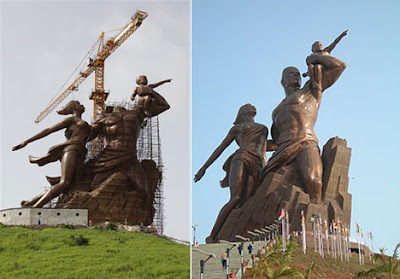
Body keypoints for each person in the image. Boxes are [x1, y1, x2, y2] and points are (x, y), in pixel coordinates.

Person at [265, 47, 347, 203]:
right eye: (291, 73)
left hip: (305, 141)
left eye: (297, 73)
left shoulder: (310, 90)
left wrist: (314, 59)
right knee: (264, 186)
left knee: (312, 179)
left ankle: (315, 219)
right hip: (282, 149)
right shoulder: (276, 111)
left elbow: (340, 66)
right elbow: (274, 142)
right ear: (283, 81)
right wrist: (249, 147)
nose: (296, 75)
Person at [194, 104, 268, 243]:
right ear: (243, 112)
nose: (252, 106)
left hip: (257, 163)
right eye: (248, 106)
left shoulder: (263, 128)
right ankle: (212, 235)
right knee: (235, 198)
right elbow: (220, 148)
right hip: (241, 158)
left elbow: (264, 148)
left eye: (252, 106)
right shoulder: (237, 128)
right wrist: (203, 168)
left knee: (248, 199)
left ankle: (240, 230)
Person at [12, 100, 91, 207]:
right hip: (71, 148)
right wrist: (27, 141)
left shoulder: (83, 123)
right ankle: (36, 207)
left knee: (69, 184)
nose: (82, 105)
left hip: (81, 152)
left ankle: (29, 202)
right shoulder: (71, 119)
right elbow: (49, 130)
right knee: (65, 182)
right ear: (73, 107)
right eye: (78, 103)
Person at [303, 30, 348, 94]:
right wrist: (307, 74)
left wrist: (341, 35)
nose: (319, 45)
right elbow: (311, 68)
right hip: (318, 71)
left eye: (320, 44)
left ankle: (318, 84)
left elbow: (334, 43)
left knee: (318, 66)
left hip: (328, 69)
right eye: (316, 45)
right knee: (317, 66)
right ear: (313, 49)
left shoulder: (325, 51)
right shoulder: (311, 56)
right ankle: (314, 83)